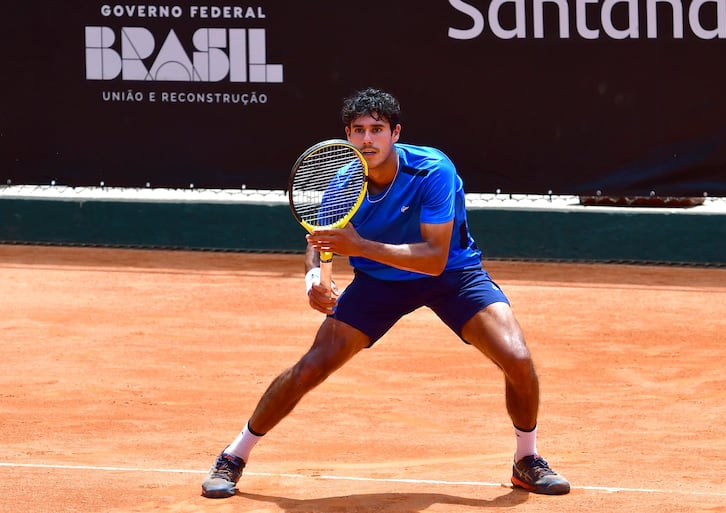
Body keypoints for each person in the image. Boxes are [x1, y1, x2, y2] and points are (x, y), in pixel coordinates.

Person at [201, 87, 570, 498]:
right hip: (379, 284)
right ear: (348, 134)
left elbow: (433, 258)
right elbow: (318, 242)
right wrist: (312, 280)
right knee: (311, 366)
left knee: (516, 358)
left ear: (395, 133)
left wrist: (359, 247)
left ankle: (527, 459)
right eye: (358, 130)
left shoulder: (433, 171)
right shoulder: (343, 181)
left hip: (452, 275)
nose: (367, 140)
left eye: (376, 129)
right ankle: (235, 455)